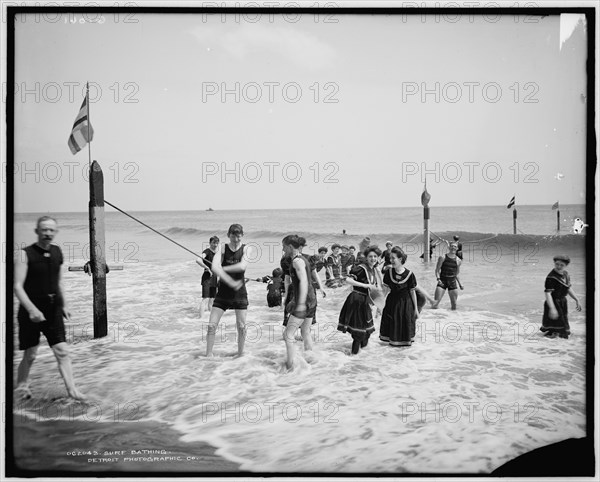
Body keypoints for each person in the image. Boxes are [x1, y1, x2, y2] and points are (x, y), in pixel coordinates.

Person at [13, 216, 85, 400]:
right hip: (30, 312)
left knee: (62, 351)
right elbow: (17, 287)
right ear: (37, 231)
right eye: (44, 229)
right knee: (30, 354)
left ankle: (72, 391)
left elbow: (59, 282)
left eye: (51, 230)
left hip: (53, 310)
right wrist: (31, 310)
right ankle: (21, 387)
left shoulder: (57, 252)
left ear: (56, 232)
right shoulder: (24, 254)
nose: (48, 233)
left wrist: (64, 305)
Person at [206, 224, 253, 357]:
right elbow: (214, 266)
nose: (236, 239)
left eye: (238, 236)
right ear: (228, 235)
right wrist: (220, 271)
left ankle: (240, 354)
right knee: (211, 326)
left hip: (239, 292)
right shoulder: (222, 248)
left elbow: (242, 266)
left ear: (242, 236)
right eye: (233, 235)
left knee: (242, 326)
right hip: (223, 292)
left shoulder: (247, 248)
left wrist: (223, 270)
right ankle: (208, 355)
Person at [282, 235, 317, 369]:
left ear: (290, 247)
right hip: (312, 299)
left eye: (284, 247)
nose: (283, 250)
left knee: (288, 334)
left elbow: (303, 281)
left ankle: (290, 366)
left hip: (304, 301)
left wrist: (300, 302)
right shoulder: (303, 259)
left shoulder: (297, 261)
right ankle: (311, 361)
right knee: (305, 332)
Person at [338, 245, 381, 354]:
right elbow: (347, 280)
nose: (373, 259)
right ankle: (353, 358)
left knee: (367, 333)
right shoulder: (361, 268)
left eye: (375, 256)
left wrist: (378, 306)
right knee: (359, 334)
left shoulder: (373, 269)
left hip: (365, 302)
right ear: (366, 257)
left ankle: (359, 361)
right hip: (356, 300)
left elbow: (375, 289)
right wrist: (364, 285)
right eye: (370, 256)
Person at [379, 247, 419, 347]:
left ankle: (404, 359)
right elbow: (385, 291)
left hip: (406, 305)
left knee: (405, 334)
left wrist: (416, 310)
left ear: (400, 259)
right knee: (391, 336)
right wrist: (379, 306)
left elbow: (412, 292)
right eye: (390, 258)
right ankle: (392, 358)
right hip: (391, 304)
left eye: (393, 258)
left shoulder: (410, 274)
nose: (391, 260)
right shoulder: (388, 273)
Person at [540, 255, 581, 339]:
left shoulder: (565, 274)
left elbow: (568, 288)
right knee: (557, 330)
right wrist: (552, 308)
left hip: (562, 302)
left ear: (566, 265)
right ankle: (549, 347)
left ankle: (555, 346)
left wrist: (577, 300)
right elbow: (548, 294)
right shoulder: (551, 277)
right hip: (553, 302)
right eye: (557, 264)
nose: (558, 266)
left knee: (559, 329)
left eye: (561, 265)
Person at [433, 242, 463, 310]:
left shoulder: (459, 260)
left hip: (452, 282)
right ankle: (434, 319)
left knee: (454, 305)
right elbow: (437, 270)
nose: (453, 247)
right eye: (452, 246)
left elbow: (457, 274)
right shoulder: (442, 257)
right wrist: (438, 279)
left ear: (457, 248)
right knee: (435, 303)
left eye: (455, 246)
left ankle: (451, 319)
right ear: (449, 247)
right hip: (442, 281)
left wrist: (460, 284)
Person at [195, 236, 219, 318]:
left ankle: (211, 318)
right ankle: (200, 319)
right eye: (213, 243)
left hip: (214, 277)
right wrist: (207, 267)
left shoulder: (217, 254)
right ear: (210, 243)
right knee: (205, 299)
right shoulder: (207, 251)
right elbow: (198, 260)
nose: (215, 245)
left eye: (216, 243)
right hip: (207, 277)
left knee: (212, 299)